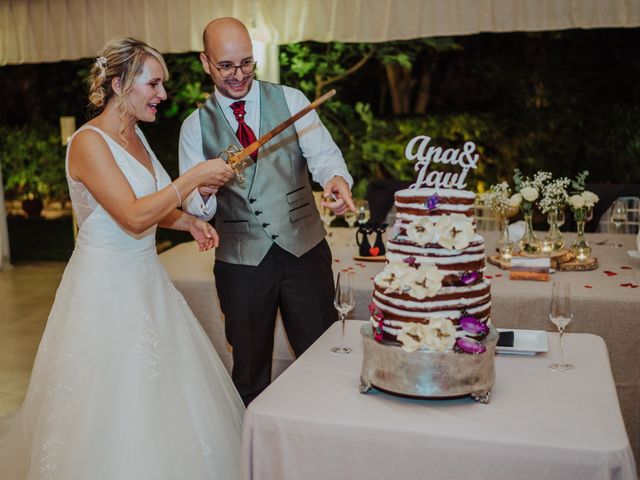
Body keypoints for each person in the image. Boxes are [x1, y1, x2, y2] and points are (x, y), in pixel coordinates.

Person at [0, 37, 245, 479]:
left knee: (166, 400)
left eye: (162, 85)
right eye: (153, 85)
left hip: (146, 281)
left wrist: (186, 221)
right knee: (109, 405)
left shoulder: (135, 136)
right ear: (118, 84)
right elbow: (132, 216)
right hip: (104, 290)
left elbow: (149, 203)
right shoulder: (88, 143)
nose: (162, 95)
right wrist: (192, 177)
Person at [179, 17, 356, 405]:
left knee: (322, 357)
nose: (238, 74)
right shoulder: (194, 127)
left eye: (247, 63)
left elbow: (324, 156)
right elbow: (196, 207)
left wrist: (336, 181)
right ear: (206, 62)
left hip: (304, 251)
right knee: (250, 368)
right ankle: (256, 451)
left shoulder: (291, 99)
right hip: (241, 263)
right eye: (226, 66)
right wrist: (205, 191)